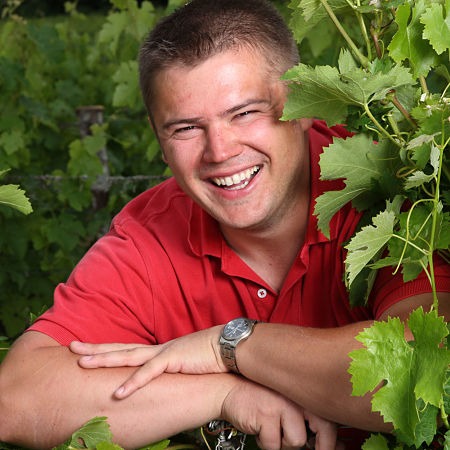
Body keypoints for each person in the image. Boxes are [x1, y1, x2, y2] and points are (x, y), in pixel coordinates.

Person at [1, 0, 449, 449]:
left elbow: (424, 376)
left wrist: (230, 346)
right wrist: (224, 392)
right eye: (186, 129)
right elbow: (17, 399)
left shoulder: (394, 191)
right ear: (160, 143)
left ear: (304, 105)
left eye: (245, 113)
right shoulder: (150, 236)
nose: (220, 151)